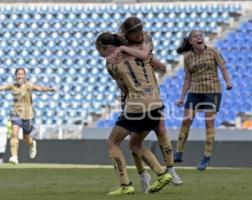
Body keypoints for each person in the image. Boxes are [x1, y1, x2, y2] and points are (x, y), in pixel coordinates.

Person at [106, 16, 182, 185]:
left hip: (150, 91)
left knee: (159, 130)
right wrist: (112, 57)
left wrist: (125, 50)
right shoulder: (119, 43)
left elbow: (145, 54)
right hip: (131, 94)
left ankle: (169, 169)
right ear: (127, 34)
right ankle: (143, 175)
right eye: (136, 34)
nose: (141, 36)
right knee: (134, 140)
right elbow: (117, 68)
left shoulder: (144, 37)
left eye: (141, 32)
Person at [96, 32, 172, 196]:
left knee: (112, 142)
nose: (100, 55)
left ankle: (126, 185)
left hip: (137, 105)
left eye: (100, 51)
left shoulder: (111, 64)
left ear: (107, 48)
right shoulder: (141, 53)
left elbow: (123, 88)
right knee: (134, 144)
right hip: (156, 103)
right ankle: (162, 174)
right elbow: (157, 63)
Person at [174, 30, 233, 170]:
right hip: (195, 91)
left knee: (209, 121)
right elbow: (187, 78)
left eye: (201, 36)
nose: (200, 38)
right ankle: (179, 152)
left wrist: (228, 82)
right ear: (190, 41)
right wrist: (182, 97)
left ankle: (206, 156)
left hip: (212, 90)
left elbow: (223, 68)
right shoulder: (187, 57)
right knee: (186, 119)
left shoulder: (213, 51)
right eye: (196, 37)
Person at [0, 68, 56, 164]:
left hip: (28, 115)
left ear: (25, 76)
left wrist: (51, 89)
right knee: (14, 134)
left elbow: (40, 88)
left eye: (22, 74)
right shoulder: (12, 86)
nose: (20, 76)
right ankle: (14, 156)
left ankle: (32, 144)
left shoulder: (28, 85)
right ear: (16, 76)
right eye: (18, 74)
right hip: (16, 113)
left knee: (26, 137)